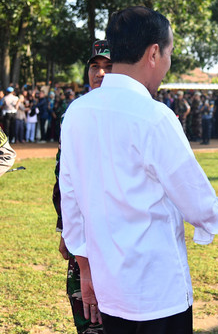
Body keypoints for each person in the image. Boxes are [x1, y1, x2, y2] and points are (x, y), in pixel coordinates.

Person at [59, 6, 218, 333]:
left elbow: (71, 200)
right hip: (157, 290)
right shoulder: (154, 117)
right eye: (169, 54)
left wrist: (84, 268)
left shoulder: (77, 113)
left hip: (109, 285)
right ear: (154, 53)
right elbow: (195, 199)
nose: (167, 64)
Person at [53, 39, 112, 334]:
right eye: (94, 67)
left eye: (107, 67)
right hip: (83, 235)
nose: (99, 73)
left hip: (117, 237)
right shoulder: (73, 113)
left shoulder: (129, 112)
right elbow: (63, 178)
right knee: (87, 317)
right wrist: (66, 229)